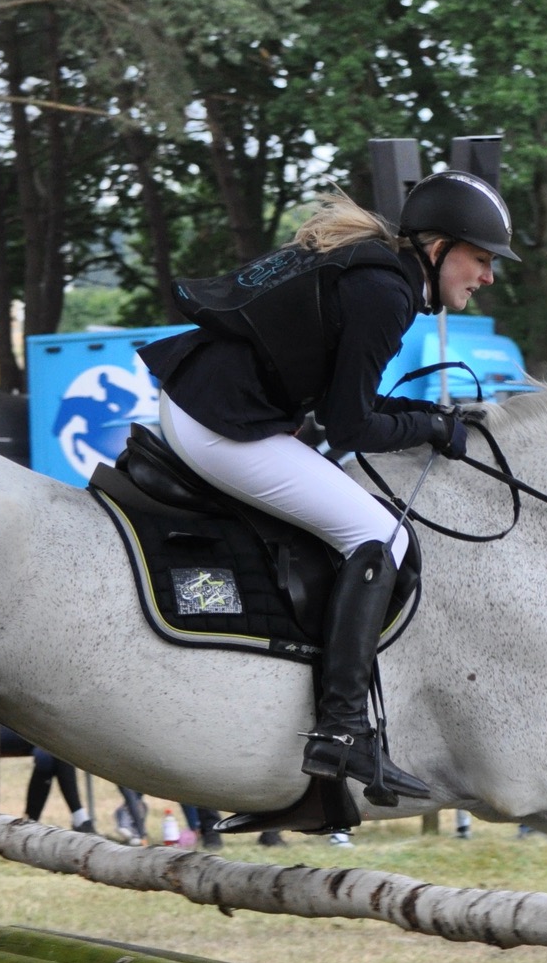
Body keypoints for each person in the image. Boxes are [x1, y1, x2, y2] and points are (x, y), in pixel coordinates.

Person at [138, 173, 517, 807]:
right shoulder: (386, 295)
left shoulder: (379, 275)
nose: (488, 276)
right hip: (221, 423)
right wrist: (429, 426)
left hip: (205, 402)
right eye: (481, 259)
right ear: (439, 249)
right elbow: (350, 427)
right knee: (382, 535)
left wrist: (429, 417)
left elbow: (347, 403)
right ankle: (342, 732)